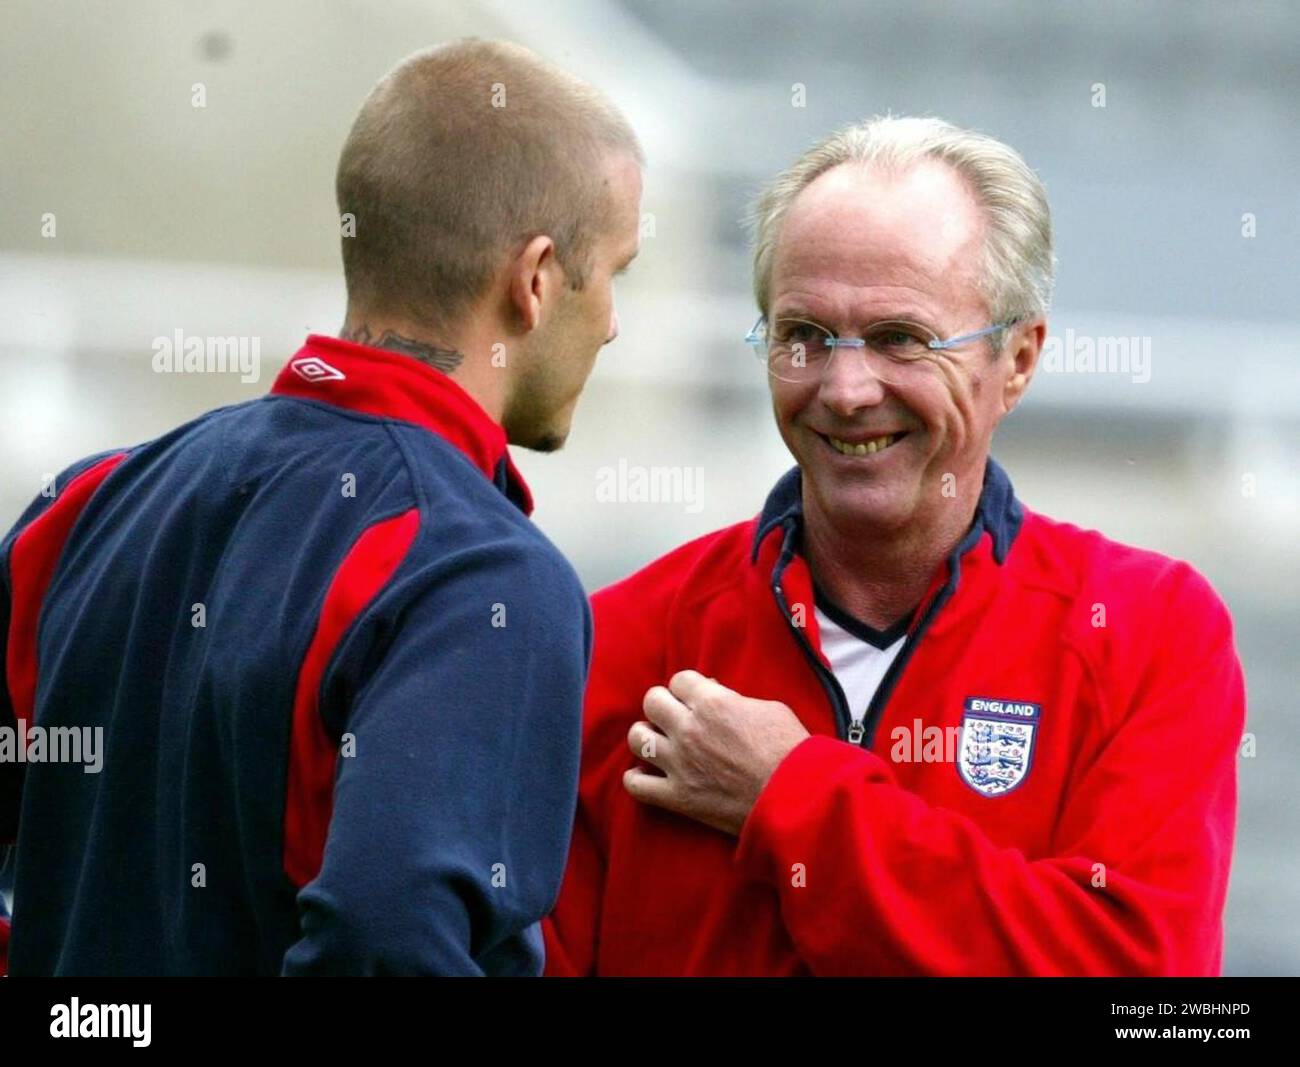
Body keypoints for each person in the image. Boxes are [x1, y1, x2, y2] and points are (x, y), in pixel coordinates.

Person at [543, 116, 1244, 976]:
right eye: (803, 335)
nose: (843, 389)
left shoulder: (1149, 633)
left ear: (1017, 360)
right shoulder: (619, 645)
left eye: (900, 339)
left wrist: (791, 796)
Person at [0, 38, 643, 975]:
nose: (617, 320)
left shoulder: (88, 504)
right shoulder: (480, 573)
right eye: (616, 270)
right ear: (536, 279)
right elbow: (388, 942)